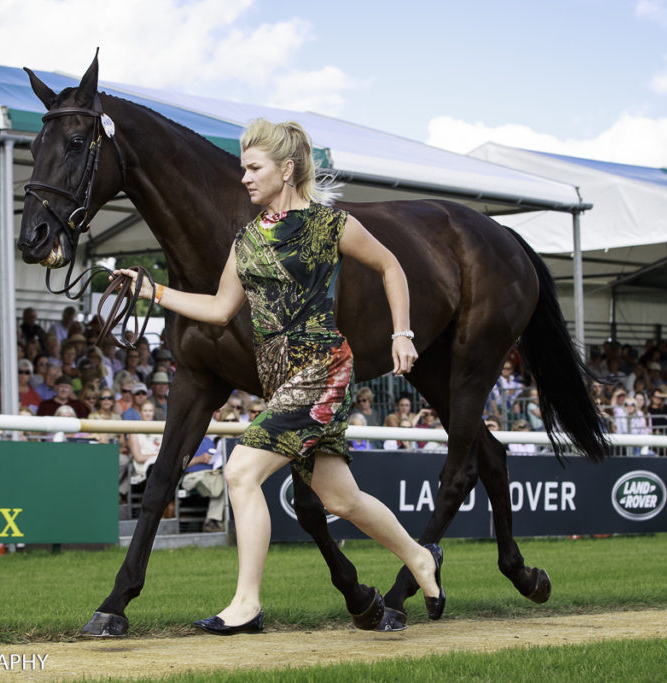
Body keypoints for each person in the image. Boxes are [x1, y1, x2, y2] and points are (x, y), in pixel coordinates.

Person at [110, 118, 441, 635]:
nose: (244, 177)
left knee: (240, 473)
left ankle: (246, 605)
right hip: (279, 377)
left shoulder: (330, 225)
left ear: (286, 170)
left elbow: (391, 266)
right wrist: (153, 292)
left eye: (254, 167)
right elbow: (220, 308)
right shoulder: (246, 239)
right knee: (340, 499)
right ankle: (420, 558)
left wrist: (403, 333)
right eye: (243, 167)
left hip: (322, 368)